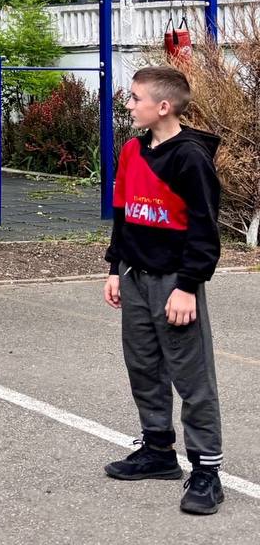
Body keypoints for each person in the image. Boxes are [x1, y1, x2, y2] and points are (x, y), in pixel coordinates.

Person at [103, 65, 224, 515]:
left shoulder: (189, 157)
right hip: (135, 276)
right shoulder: (133, 150)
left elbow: (203, 230)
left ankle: (207, 471)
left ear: (163, 106)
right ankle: (157, 452)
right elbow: (123, 212)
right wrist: (115, 267)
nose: (129, 105)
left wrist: (188, 287)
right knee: (145, 369)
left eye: (135, 98)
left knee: (191, 379)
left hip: (175, 282)